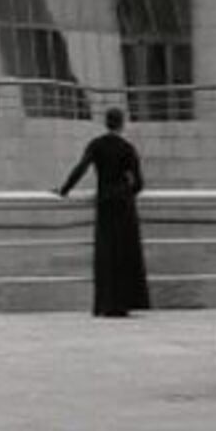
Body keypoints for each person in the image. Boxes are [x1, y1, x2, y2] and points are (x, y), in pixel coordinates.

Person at [57, 106, 150, 317]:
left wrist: (64, 190)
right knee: (125, 252)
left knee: (106, 252)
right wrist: (128, 193)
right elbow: (139, 182)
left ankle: (106, 303)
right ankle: (125, 303)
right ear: (122, 124)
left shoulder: (97, 145)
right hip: (124, 204)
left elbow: (81, 167)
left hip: (105, 202)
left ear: (106, 123)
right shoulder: (128, 148)